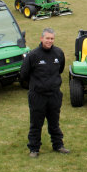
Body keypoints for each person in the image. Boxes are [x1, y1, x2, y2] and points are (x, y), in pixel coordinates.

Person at [20, 28, 69, 158]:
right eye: (47, 38)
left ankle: (58, 145)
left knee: (54, 122)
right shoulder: (33, 55)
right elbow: (23, 74)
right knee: (36, 123)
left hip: (54, 95)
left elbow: (61, 69)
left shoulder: (59, 53)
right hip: (38, 96)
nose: (49, 41)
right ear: (41, 39)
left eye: (52, 38)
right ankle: (34, 149)